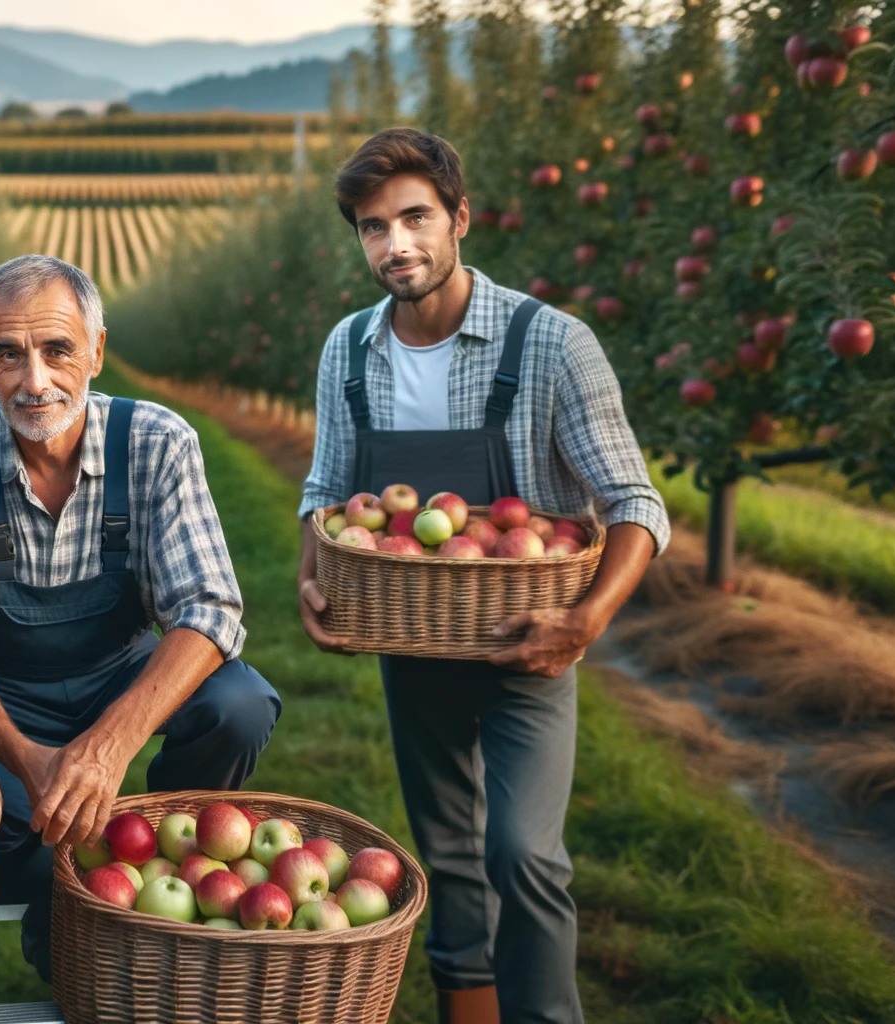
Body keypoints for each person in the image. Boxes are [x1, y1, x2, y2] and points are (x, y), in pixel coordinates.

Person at [296, 128, 669, 1024]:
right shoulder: (350, 350)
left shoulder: (551, 344)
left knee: (523, 854)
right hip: (410, 636)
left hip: (527, 640)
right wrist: (316, 581)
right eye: (374, 227)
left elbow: (636, 503)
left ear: (460, 218)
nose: (396, 245)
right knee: (449, 859)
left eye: (415, 218)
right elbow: (325, 491)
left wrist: (584, 623)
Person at [0, 254, 281, 978]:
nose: (34, 380)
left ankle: (158, 844)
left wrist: (111, 744)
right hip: (3, 694)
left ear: (97, 352)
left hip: (118, 677)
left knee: (239, 705)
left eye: (57, 349)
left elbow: (209, 608)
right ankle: (62, 897)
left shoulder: (156, 442)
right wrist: (30, 758)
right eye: (9, 354)